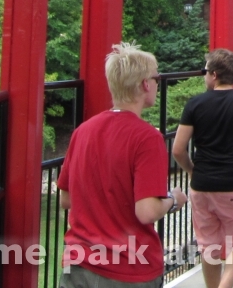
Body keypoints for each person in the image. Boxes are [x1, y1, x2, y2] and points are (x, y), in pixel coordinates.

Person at [57, 42, 187, 288]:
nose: (157, 84)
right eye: (156, 78)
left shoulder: (83, 131)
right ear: (145, 85)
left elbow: (66, 198)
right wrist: (173, 200)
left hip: (78, 264)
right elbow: (146, 211)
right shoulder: (147, 138)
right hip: (129, 268)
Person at [172, 49, 233, 288]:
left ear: (214, 75)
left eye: (205, 71)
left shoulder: (195, 104)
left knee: (208, 244)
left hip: (202, 184)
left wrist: (192, 170)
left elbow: (177, 149)